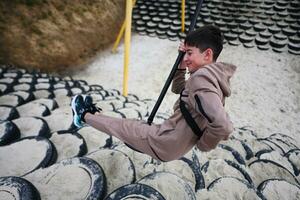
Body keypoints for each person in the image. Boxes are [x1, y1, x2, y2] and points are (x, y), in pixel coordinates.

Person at [71, 25, 237, 162]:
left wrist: (203, 145)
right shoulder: (213, 78)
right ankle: (94, 114)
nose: (185, 57)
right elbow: (179, 89)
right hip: (172, 141)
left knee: (119, 126)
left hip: (164, 141)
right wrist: (180, 64)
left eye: (189, 52)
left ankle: (83, 115)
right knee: (132, 125)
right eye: (184, 53)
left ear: (207, 54)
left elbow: (223, 126)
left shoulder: (202, 79)